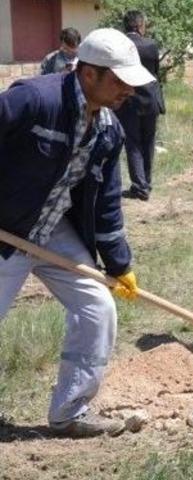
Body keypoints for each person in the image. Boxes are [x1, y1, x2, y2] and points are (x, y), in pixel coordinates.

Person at [0, 28, 153, 437]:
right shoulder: (34, 100)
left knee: (97, 308)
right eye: (119, 80)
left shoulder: (108, 129)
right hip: (6, 230)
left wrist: (120, 263)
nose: (128, 90)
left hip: (50, 230)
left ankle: (71, 411)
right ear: (89, 74)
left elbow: (105, 204)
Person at [116, 10, 164, 202]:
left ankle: (139, 186)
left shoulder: (120, 45)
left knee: (133, 143)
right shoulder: (151, 45)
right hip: (150, 99)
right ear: (139, 25)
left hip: (128, 101)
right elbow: (155, 73)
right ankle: (147, 183)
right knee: (148, 142)